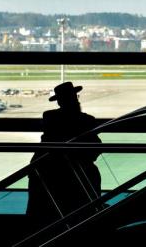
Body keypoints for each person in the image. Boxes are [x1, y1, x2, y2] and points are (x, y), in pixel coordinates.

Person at [26, 81, 102, 224]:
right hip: (71, 171)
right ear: (76, 98)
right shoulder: (87, 120)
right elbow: (96, 148)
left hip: (47, 169)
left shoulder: (49, 117)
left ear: (59, 102)